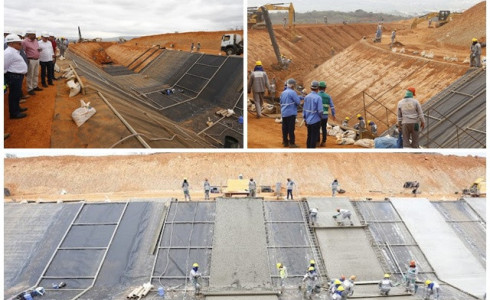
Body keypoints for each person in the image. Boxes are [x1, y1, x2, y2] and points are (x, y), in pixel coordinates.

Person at [4, 34, 28, 119]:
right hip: (13, 77)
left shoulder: (14, 51)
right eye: (18, 43)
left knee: (17, 94)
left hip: (17, 76)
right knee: (14, 95)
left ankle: (17, 108)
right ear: (11, 44)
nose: (20, 45)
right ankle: (14, 113)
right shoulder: (8, 53)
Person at [280, 78, 301, 147]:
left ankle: (285, 141)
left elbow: (281, 102)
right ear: (292, 85)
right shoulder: (293, 92)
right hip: (291, 113)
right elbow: (298, 102)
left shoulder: (283, 93)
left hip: (284, 113)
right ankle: (292, 143)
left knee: (284, 128)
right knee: (291, 128)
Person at [303, 81, 323, 148]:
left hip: (308, 120)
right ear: (318, 88)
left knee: (309, 136)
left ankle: (308, 149)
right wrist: (321, 117)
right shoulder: (318, 98)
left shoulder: (306, 97)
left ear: (310, 88)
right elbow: (320, 111)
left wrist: (305, 119)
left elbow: (304, 109)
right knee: (314, 137)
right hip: (315, 120)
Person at [22, 29, 43, 95]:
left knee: (36, 73)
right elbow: (23, 51)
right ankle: (30, 89)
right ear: (29, 35)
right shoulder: (24, 42)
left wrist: (39, 50)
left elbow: (37, 48)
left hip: (37, 59)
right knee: (30, 75)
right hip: (30, 60)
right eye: (33, 34)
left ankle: (35, 86)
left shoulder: (36, 40)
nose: (35, 36)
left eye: (35, 34)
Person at [318, 81, 336, 146]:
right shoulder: (328, 96)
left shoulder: (317, 95)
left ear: (318, 88)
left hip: (318, 116)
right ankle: (324, 142)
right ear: (325, 88)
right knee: (324, 128)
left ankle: (317, 141)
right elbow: (332, 107)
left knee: (317, 128)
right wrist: (333, 115)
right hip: (325, 116)